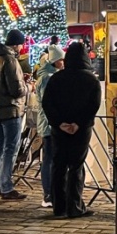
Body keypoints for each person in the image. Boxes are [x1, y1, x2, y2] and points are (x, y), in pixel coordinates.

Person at [42, 42, 102, 218]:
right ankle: (74, 206)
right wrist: (78, 123)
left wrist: (59, 122)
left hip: (59, 128)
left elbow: (48, 103)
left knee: (59, 165)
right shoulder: (91, 79)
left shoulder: (57, 78)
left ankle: (59, 206)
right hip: (80, 129)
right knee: (76, 165)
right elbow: (93, 105)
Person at [0, 29, 31, 201]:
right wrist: (29, 87)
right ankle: (6, 187)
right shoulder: (10, 60)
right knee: (11, 148)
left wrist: (21, 80)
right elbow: (16, 90)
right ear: (17, 44)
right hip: (10, 110)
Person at [35, 44, 65, 208]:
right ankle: (48, 194)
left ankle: (52, 192)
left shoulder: (50, 75)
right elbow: (48, 103)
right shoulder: (47, 78)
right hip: (49, 124)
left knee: (51, 158)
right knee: (49, 159)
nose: (63, 62)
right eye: (60, 59)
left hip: (49, 123)